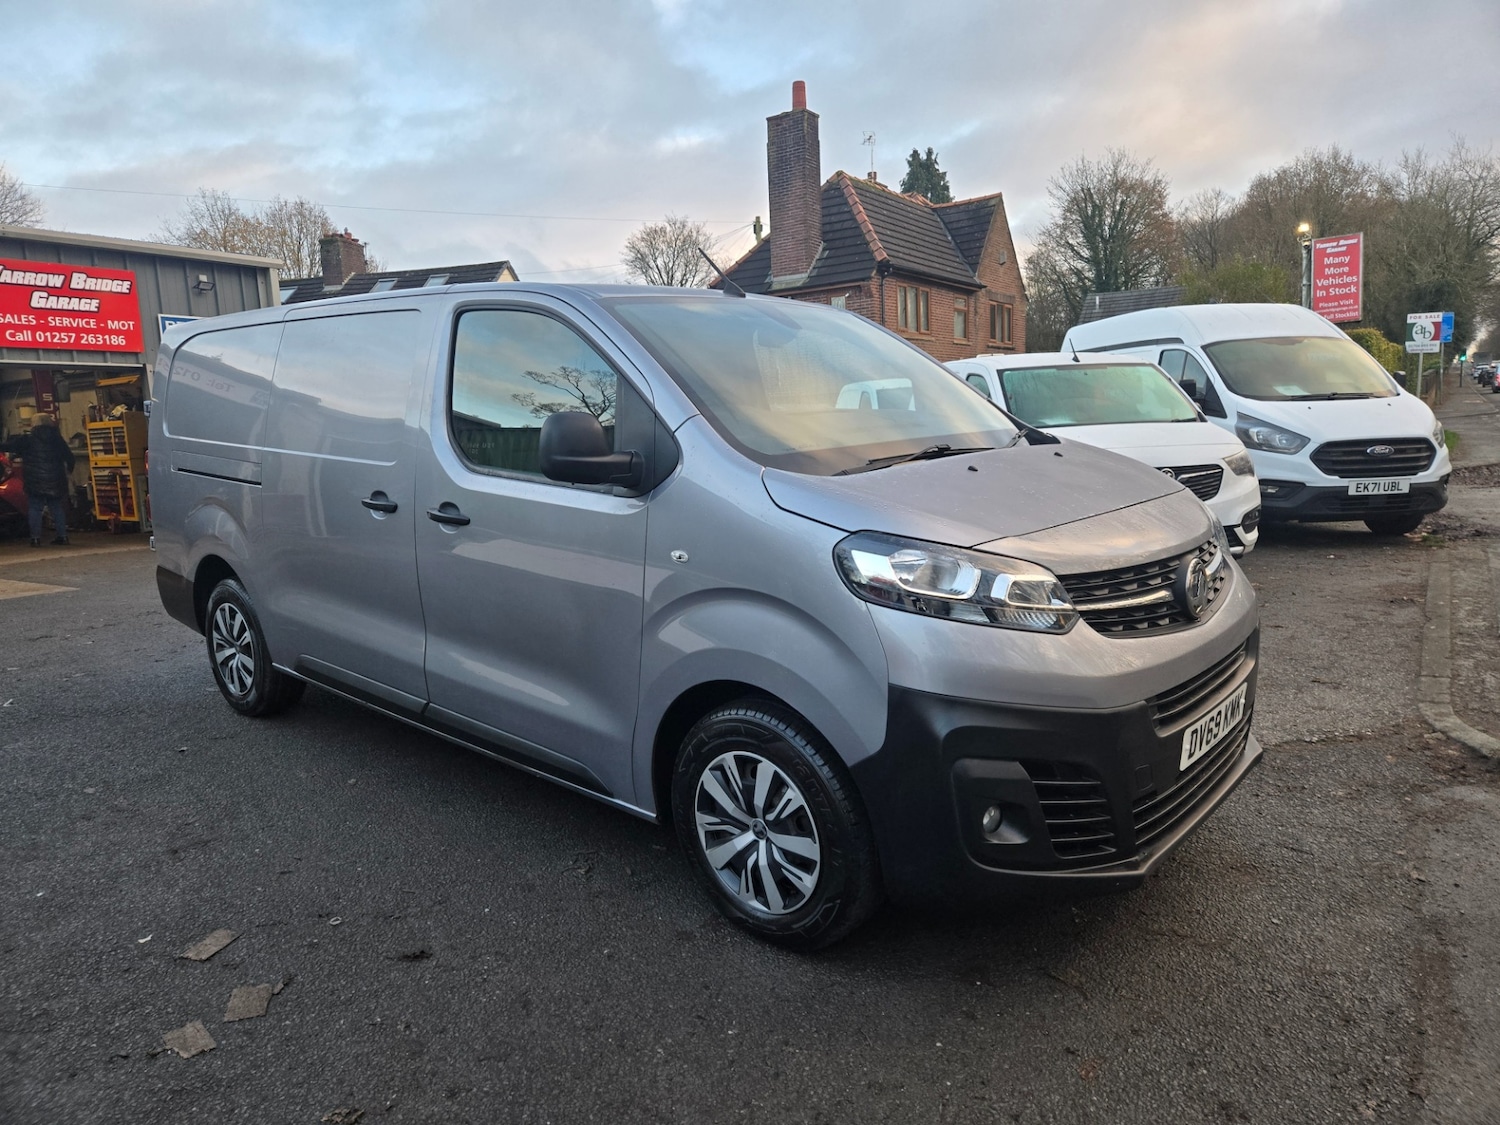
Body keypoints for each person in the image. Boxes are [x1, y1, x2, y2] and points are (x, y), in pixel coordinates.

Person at [0, 413, 76, 546]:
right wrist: (68, 471)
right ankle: (63, 536)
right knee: (56, 508)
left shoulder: (27, 439)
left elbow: (8, 447)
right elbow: (70, 457)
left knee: (35, 508)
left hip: (34, 480)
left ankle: (35, 539)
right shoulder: (57, 439)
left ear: (34, 424)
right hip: (55, 480)